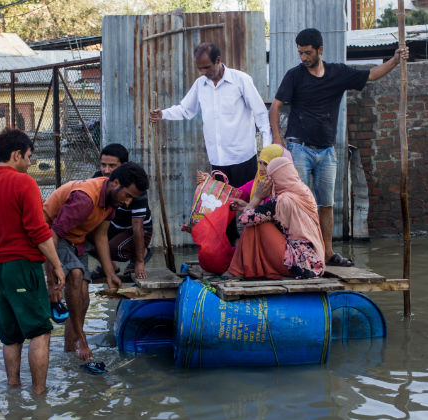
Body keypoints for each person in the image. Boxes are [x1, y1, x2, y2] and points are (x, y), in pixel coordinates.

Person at [269, 28, 409, 267]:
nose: (303, 57)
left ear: (320, 50)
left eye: (308, 53)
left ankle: (327, 253)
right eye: (300, 53)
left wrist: (396, 60)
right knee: (298, 204)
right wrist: (278, 140)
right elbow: (276, 107)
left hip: (327, 151)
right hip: (299, 148)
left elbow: (372, 74)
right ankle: (298, 254)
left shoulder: (338, 73)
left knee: (326, 204)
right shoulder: (294, 76)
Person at [0, 128, 65, 394]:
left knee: (10, 336)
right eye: (29, 157)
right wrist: (56, 265)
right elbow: (38, 231)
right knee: (39, 331)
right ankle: (39, 395)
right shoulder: (25, 183)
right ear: (16, 155)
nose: (30, 163)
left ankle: (13, 390)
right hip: (23, 267)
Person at [43, 162, 149, 361]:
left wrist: (110, 273)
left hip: (77, 239)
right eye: (127, 196)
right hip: (50, 235)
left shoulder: (111, 201)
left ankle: (69, 350)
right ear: (115, 183)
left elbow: (100, 236)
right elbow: (52, 235)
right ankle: (81, 340)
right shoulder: (85, 199)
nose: (127, 203)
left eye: (131, 199)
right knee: (75, 274)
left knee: (83, 298)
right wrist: (51, 282)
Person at [149, 41, 271, 197]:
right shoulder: (200, 84)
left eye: (206, 67)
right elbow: (186, 110)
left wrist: (266, 152)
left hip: (243, 158)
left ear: (218, 60)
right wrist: (163, 114)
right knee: (222, 210)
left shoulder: (241, 80)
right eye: (199, 68)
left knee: (248, 206)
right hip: (217, 159)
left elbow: (260, 114)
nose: (202, 72)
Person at [229, 157, 325, 280]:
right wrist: (247, 206)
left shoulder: (282, 200)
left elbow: (245, 220)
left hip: (299, 266)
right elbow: (267, 214)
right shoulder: (303, 191)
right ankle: (240, 269)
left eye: (271, 178)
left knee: (254, 225)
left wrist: (256, 198)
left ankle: (237, 270)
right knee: (257, 220)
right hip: (314, 262)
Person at [91, 143, 153, 280]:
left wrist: (139, 262)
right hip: (113, 225)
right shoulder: (97, 178)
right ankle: (109, 265)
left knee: (113, 249)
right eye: (103, 165)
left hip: (136, 229)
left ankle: (143, 252)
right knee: (83, 240)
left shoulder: (134, 184)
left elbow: (138, 227)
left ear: (124, 166)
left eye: (112, 166)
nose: (106, 170)